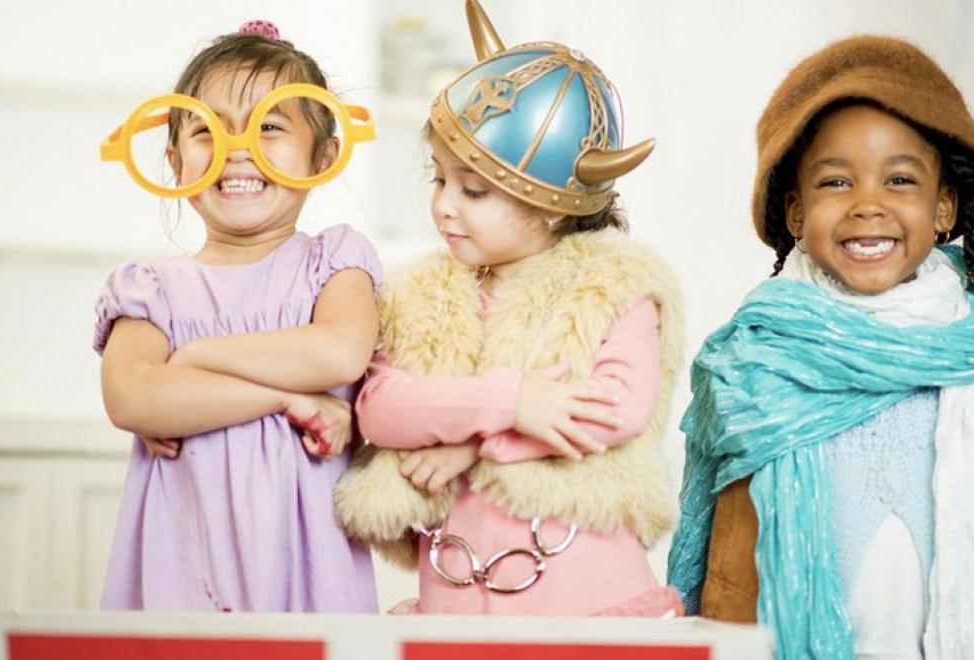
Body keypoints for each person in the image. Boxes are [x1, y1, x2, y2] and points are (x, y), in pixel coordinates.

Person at [667, 35, 974, 659]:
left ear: (944, 206)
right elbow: (706, 556)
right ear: (795, 213)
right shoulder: (750, 366)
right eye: (836, 182)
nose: (867, 204)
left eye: (899, 179)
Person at [334, 0, 684, 616]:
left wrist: (471, 448)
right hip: (457, 605)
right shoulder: (422, 296)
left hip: (586, 604)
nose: (444, 205)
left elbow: (617, 409)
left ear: (552, 206)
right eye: (438, 178)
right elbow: (382, 411)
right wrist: (512, 401)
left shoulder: (614, 290)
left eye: (472, 191)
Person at [94, 20, 381, 612]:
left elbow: (338, 352)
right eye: (206, 131)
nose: (238, 148)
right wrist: (286, 400)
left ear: (324, 154)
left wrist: (194, 360)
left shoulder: (334, 264)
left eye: (270, 125)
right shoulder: (151, 290)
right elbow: (133, 399)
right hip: (181, 567)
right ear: (175, 161)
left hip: (306, 574)